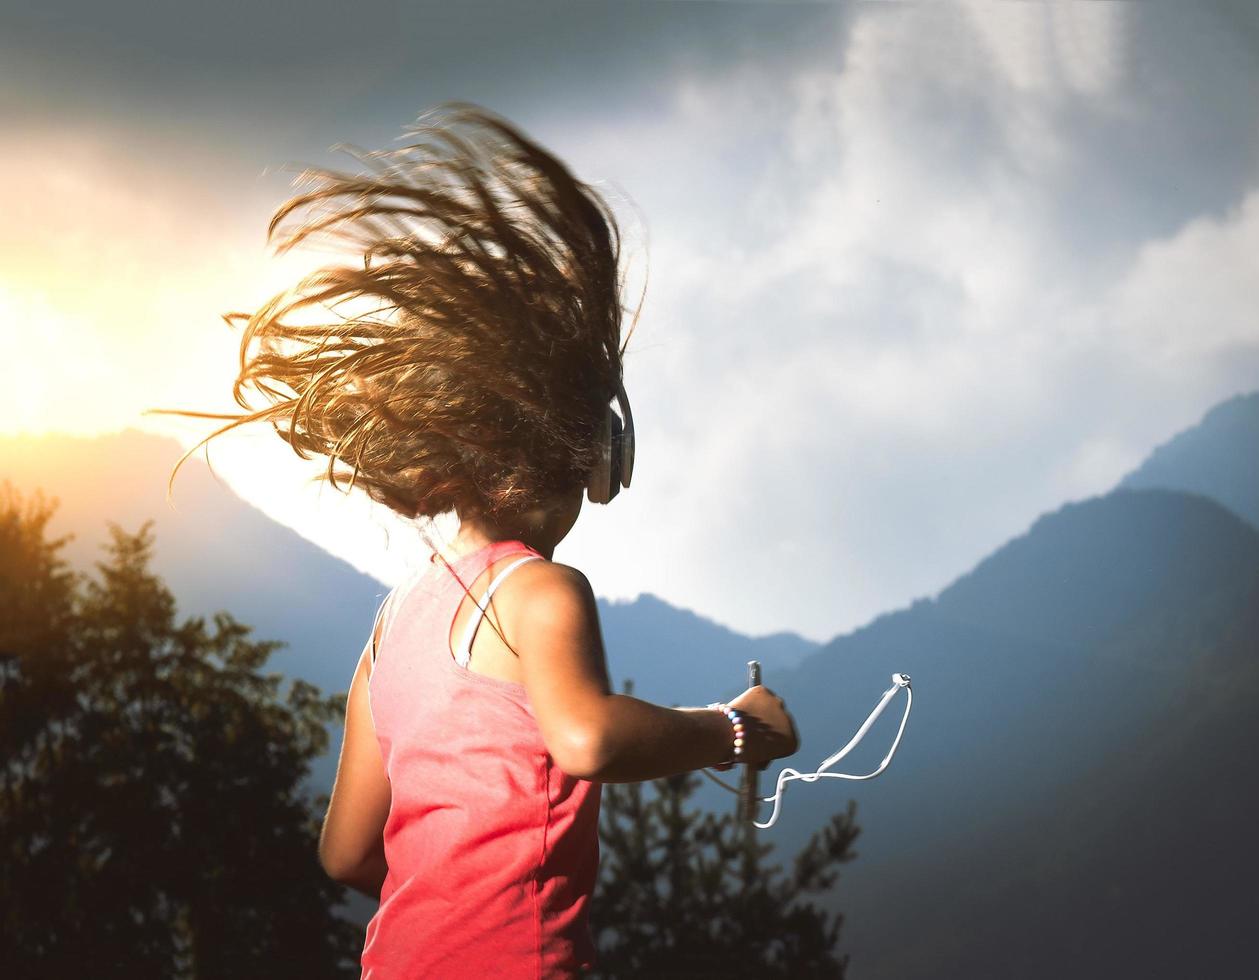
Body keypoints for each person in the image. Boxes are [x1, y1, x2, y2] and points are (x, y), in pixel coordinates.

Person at [155, 102, 800, 978]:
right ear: (594, 460)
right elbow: (588, 742)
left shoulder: (390, 628)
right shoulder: (540, 590)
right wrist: (732, 728)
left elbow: (346, 855)